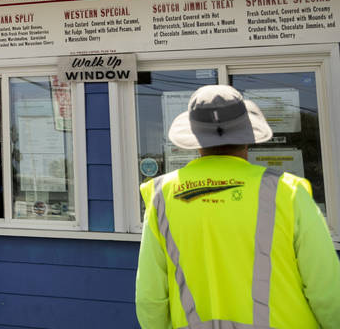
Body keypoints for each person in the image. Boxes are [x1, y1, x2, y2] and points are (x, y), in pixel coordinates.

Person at [136, 85, 340, 328]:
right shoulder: (288, 192)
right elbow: (327, 290)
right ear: (247, 137)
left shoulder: (162, 195)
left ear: (196, 140)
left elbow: (150, 298)